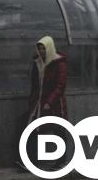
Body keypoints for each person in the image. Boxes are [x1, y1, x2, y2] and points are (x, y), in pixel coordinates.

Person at [15, 36, 69, 170]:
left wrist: (49, 102)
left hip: (55, 105)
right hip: (38, 103)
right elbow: (35, 84)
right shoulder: (37, 63)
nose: (41, 51)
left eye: (44, 49)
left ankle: (61, 161)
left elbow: (60, 86)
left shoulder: (59, 63)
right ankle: (30, 161)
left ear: (49, 48)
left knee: (58, 130)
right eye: (39, 49)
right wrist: (33, 101)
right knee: (31, 129)